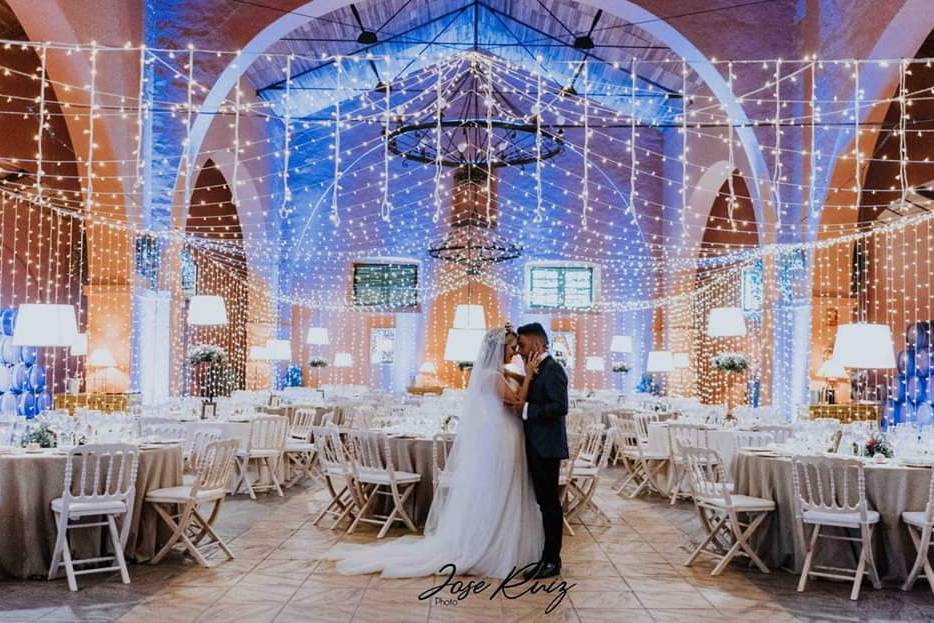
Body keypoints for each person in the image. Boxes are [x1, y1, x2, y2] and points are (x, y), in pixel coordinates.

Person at [325, 327, 544, 578]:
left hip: (505, 435)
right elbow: (517, 402)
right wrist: (528, 377)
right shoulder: (492, 376)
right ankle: (494, 545)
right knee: (501, 489)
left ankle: (503, 540)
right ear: (500, 348)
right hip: (503, 435)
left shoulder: (494, 373)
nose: (515, 351)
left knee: (504, 489)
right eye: (512, 347)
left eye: (516, 347)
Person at [506, 322, 569, 580]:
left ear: (536, 342)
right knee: (544, 502)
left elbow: (559, 407)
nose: (519, 351)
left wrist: (527, 410)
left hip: (547, 447)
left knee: (550, 504)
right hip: (536, 444)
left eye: (521, 345)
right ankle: (545, 557)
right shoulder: (536, 369)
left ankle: (552, 560)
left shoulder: (553, 369)